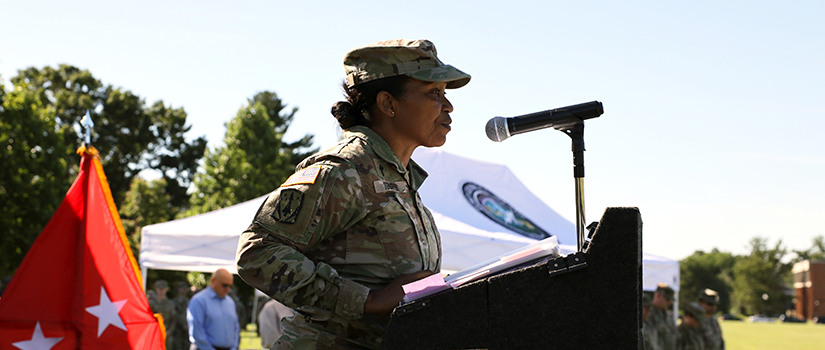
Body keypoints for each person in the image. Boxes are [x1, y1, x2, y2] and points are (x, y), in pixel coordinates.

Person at [236, 38, 471, 349]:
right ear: (389, 103)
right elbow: (257, 251)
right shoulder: (344, 169)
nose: (448, 106)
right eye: (434, 93)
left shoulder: (400, 179)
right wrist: (367, 300)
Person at [187, 268, 240, 350]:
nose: (228, 289)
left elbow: (235, 328)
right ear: (213, 280)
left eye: (230, 286)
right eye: (224, 285)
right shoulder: (199, 301)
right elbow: (197, 332)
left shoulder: (230, 302)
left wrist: (234, 347)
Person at [649, 283, 678, 349]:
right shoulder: (648, 313)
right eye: (667, 299)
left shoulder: (668, 315)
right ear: (658, 296)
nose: (670, 303)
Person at [149, 280, 176, 349]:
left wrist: (169, 331)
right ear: (156, 289)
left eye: (163, 289)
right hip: (153, 332)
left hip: (166, 333)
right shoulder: (150, 303)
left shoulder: (170, 304)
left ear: (166, 289)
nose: (161, 291)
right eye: (159, 289)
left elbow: (173, 320)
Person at [171, 281, 192, 350]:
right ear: (178, 289)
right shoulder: (173, 302)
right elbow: (173, 316)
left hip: (187, 331)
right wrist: (182, 324)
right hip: (176, 330)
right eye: (182, 288)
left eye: (185, 289)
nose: (184, 290)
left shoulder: (190, 302)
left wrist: (187, 325)